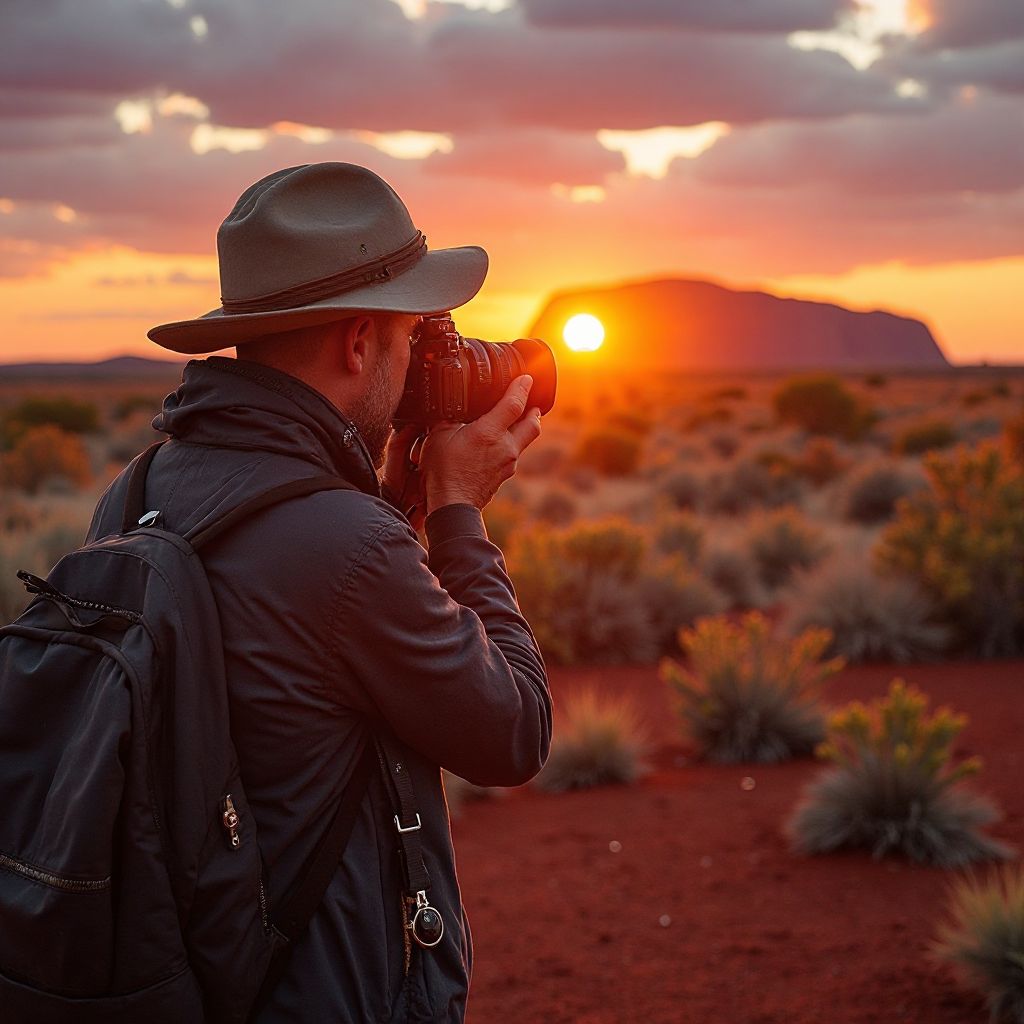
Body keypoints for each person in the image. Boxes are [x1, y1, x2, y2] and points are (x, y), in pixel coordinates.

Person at [85, 162, 552, 1022]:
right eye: (412, 337)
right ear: (358, 343)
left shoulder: (139, 488)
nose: (418, 365)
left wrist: (391, 506)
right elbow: (515, 732)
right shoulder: (345, 544)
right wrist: (458, 515)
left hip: (184, 981)